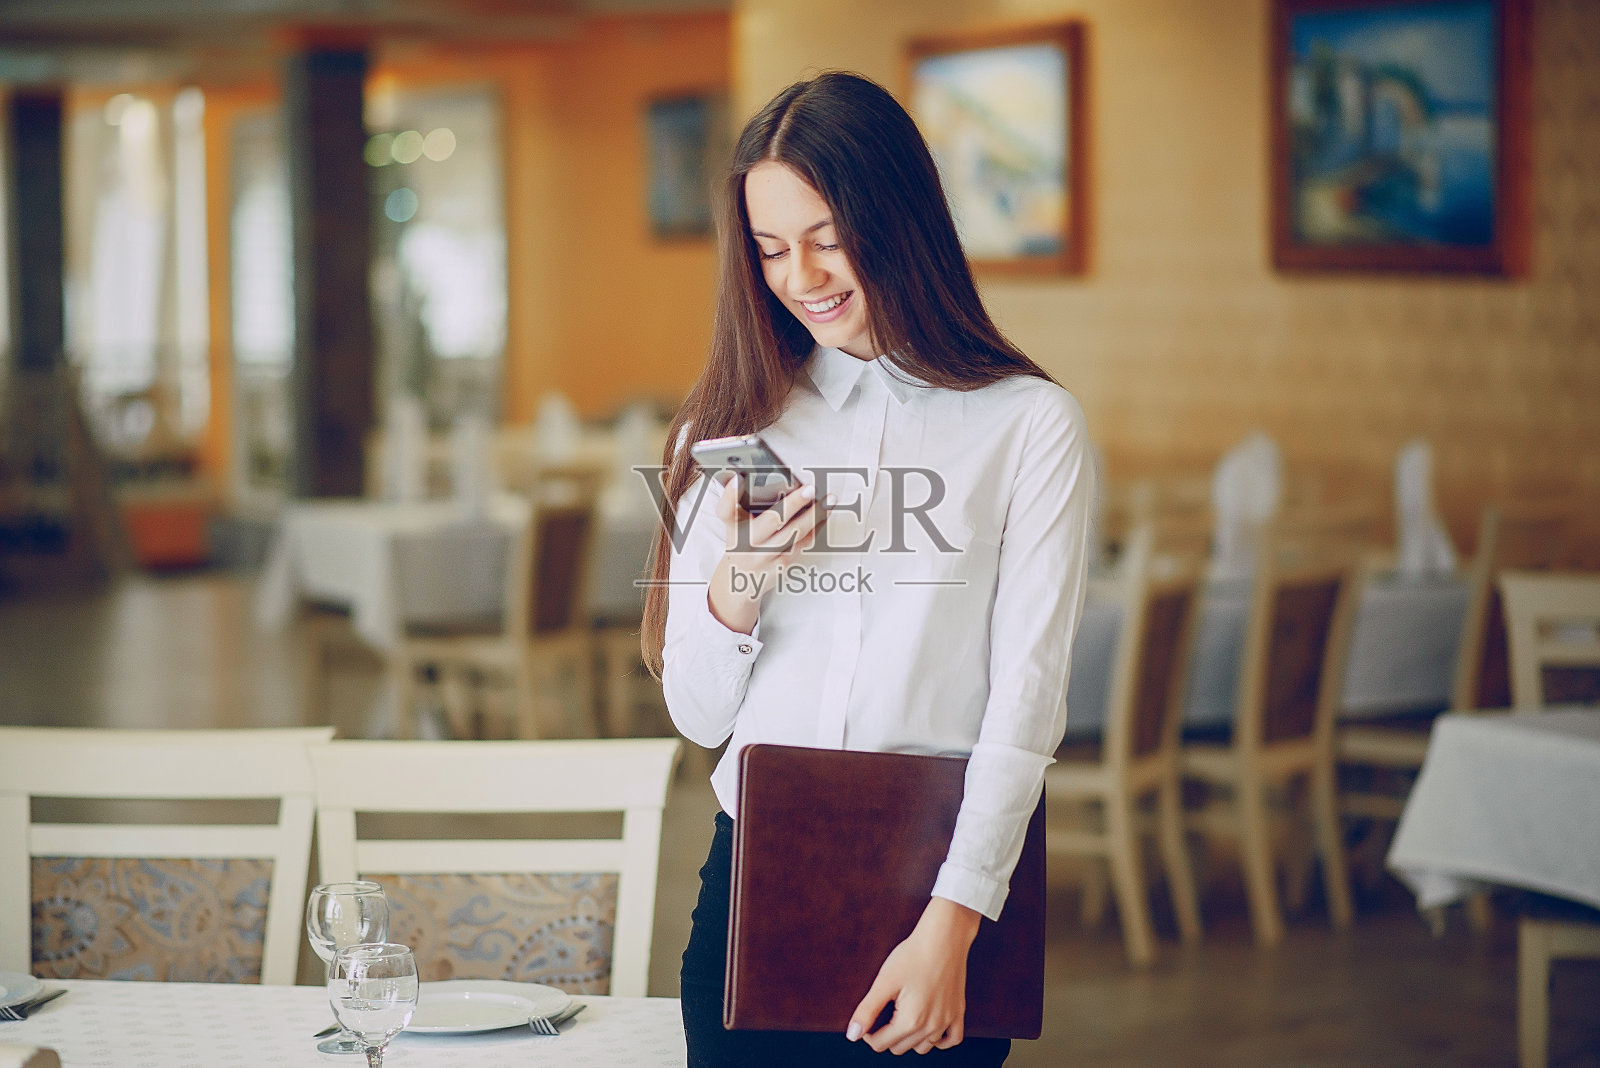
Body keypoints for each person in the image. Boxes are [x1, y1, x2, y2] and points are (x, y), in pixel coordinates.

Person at [641, 70, 1094, 1066]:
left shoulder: (1029, 427)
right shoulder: (727, 434)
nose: (799, 276)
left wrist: (954, 924)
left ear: (897, 217)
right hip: (752, 886)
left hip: (941, 894)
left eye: (824, 236)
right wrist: (737, 588)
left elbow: (1025, 707)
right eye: (769, 249)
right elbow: (700, 716)